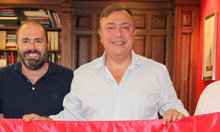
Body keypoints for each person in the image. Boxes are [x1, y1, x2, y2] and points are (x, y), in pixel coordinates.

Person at [24, 4, 188, 123]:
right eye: (110, 28)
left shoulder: (157, 72)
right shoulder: (83, 74)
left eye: (125, 27)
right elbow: (71, 117)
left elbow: (179, 113)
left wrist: (176, 113)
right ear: (100, 35)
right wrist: (45, 120)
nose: (118, 34)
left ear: (134, 33)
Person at [0, 20, 73, 118]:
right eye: (25, 41)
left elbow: (73, 120)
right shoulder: (1, 77)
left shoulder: (68, 78)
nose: (32, 47)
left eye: (38, 41)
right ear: (17, 46)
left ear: (47, 45)